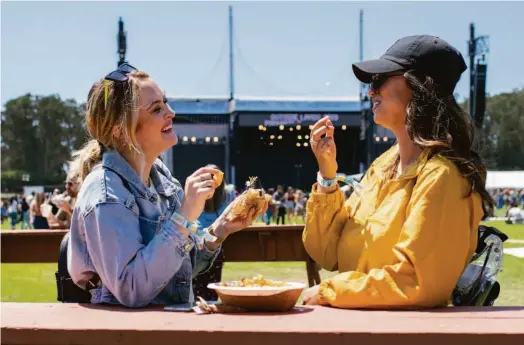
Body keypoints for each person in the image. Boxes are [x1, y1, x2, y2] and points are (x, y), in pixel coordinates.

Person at [302, 35, 490, 309]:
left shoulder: (443, 176)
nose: (370, 91)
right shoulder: (382, 167)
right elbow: (326, 253)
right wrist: (328, 177)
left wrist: (331, 291)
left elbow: (418, 282)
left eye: (379, 80)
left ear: (419, 87)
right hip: (362, 327)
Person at [67, 63, 268, 307]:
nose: (170, 112)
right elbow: (132, 289)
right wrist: (184, 215)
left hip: (167, 329)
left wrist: (220, 229)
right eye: (156, 109)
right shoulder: (105, 193)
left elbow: (179, 271)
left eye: (166, 102)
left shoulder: (161, 177)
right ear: (121, 131)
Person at [192, 164, 230, 301]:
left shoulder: (226, 196)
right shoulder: (226, 196)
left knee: (200, 288)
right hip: (210, 245)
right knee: (211, 286)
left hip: (205, 244)